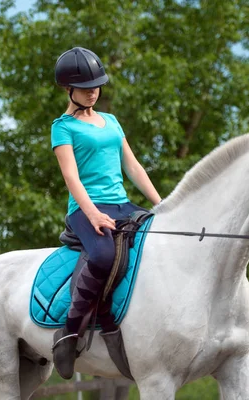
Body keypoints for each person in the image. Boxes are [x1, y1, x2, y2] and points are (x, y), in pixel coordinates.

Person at [50, 47, 161, 379]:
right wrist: (93, 214)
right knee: (101, 256)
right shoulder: (63, 127)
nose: (93, 91)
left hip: (122, 204)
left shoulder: (111, 121)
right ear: (68, 89)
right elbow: (71, 177)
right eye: (86, 87)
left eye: (97, 85)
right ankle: (70, 332)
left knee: (157, 242)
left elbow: (133, 166)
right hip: (86, 210)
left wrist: (162, 205)